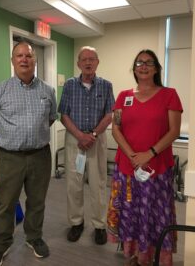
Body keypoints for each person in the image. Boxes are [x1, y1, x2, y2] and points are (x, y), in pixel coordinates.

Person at [0, 41, 57, 266]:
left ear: (35, 60)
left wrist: (31, 136)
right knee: (6, 203)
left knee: (37, 202)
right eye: (19, 56)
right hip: (10, 157)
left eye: (29, 56)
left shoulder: (48, 90)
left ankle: (33, 238)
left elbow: (52, 117)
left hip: (40, 156)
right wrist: (12, 138)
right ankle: (1, 244)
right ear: (13, 60)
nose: (24, 59)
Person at [107, 49, 183, 266]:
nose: (144, 65)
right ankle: (134, 256)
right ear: (134, 68)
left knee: (155, 215)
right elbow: (116, 129)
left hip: (156, 168)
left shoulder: (169, 94)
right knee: (131, 214)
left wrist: (148, 154)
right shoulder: (124, 96)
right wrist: (133, 155)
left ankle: (154, 256)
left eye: (149, 62)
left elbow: (174, 131)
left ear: (157, 68)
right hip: (127, 169)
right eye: (139, 62)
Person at [58, 46, 115, 245]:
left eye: (92, 59)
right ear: (78, 63)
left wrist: (91, 135)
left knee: (98, 184)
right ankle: (76, 223)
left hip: (97, 141)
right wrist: (80, 136)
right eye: (84, 59)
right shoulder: (70, 85)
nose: (88, 62)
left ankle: (99, 226)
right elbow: (63, 115)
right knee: (74, 184)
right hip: (75, 141)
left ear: (98, 62)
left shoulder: (106, 86)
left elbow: (109, 115)